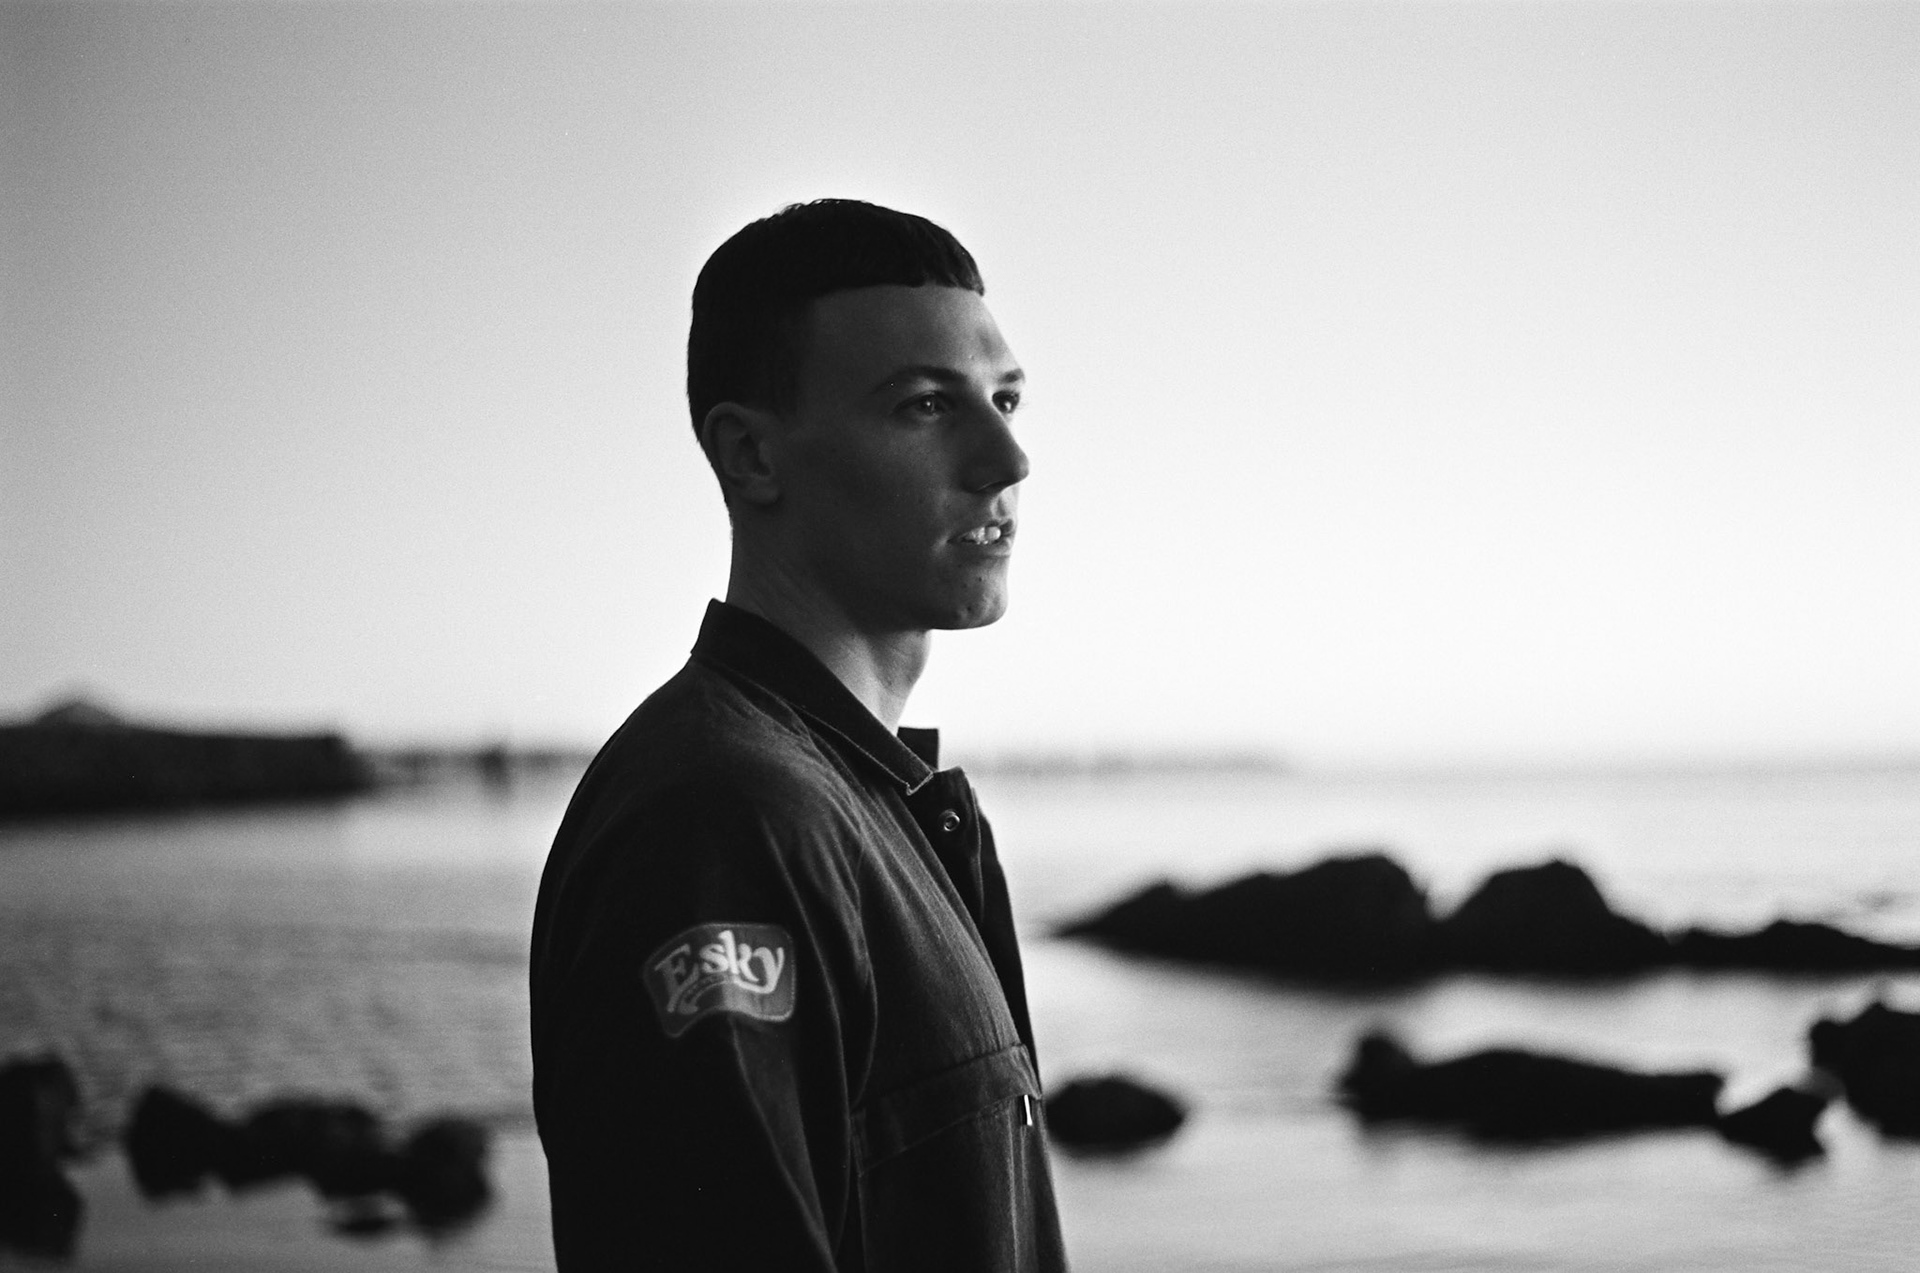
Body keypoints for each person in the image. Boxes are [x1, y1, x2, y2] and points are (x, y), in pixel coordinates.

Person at [529, 199, 1067, 1271]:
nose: (1006, 459)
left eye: (1006, 398)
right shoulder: (722, 822)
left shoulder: (871, 803)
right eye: (925, 405)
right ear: (752, 457)